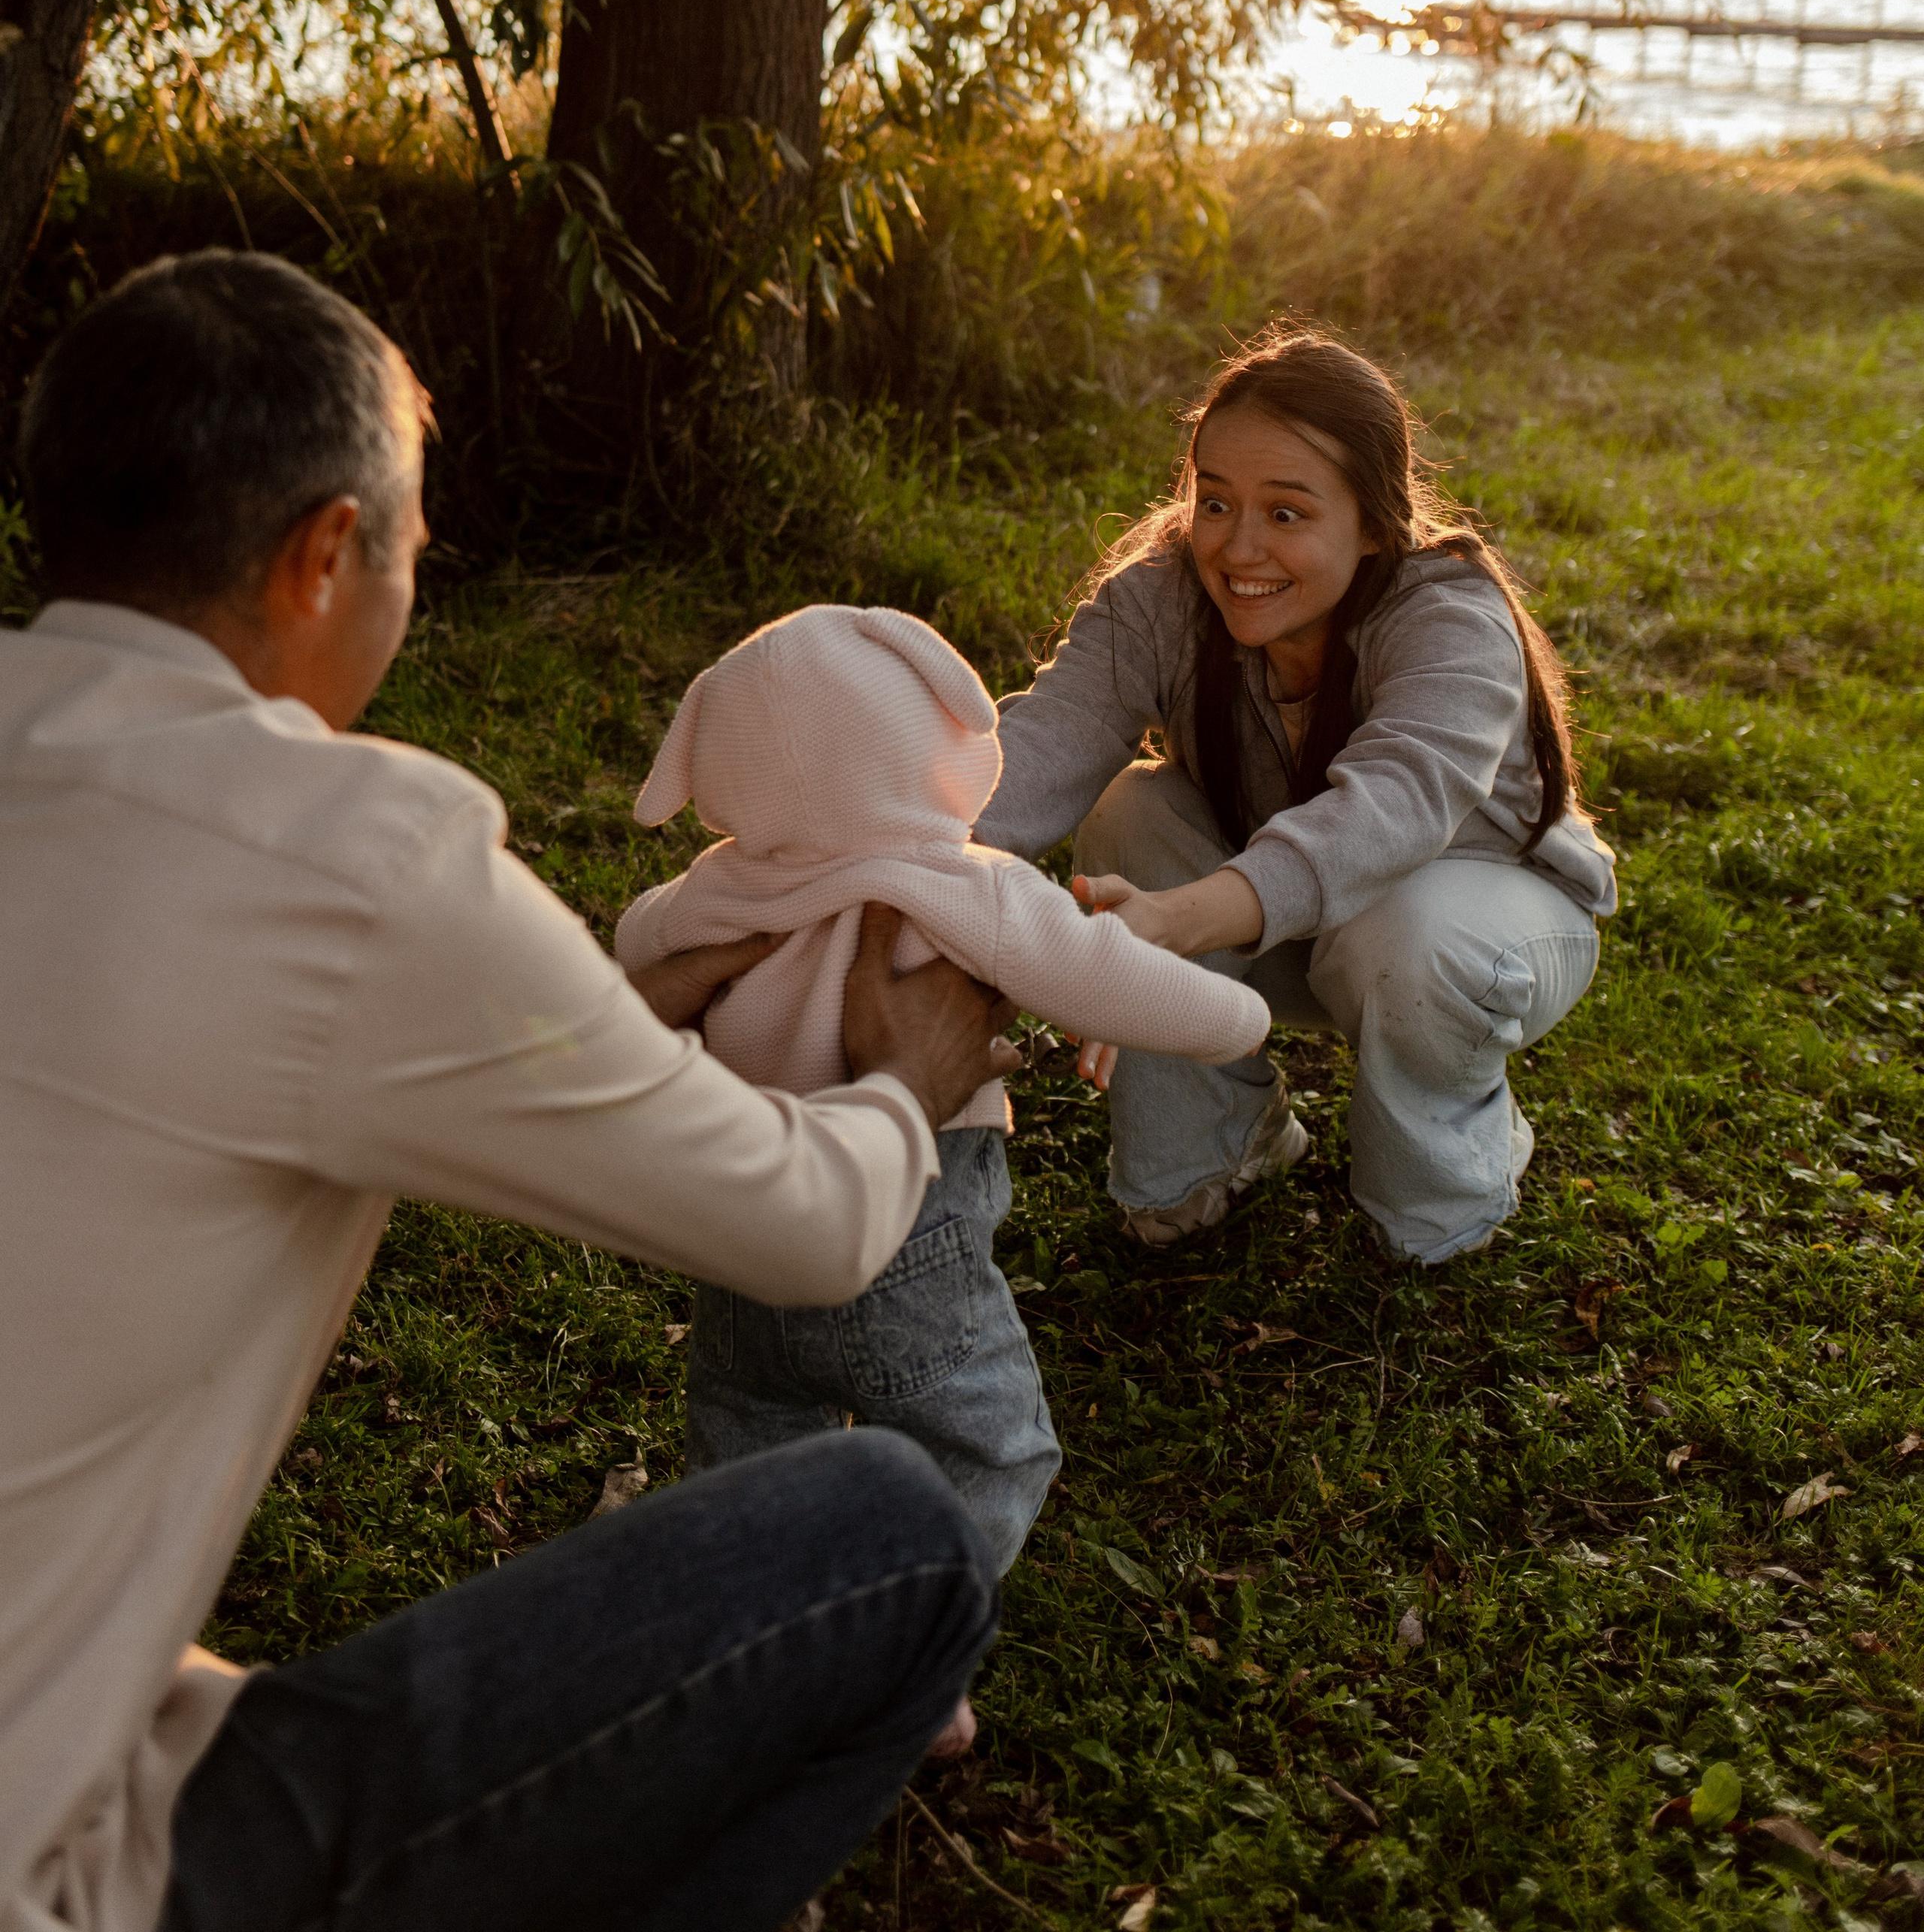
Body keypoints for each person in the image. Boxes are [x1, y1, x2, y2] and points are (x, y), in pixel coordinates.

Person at [0, 249, 1018, 1932]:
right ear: (327, 551)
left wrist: (613, 1008)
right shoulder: (347, 854)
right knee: (894, 1538)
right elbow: (805, 1223)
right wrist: (903, 1085)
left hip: (95, 1705)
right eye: (413, 550)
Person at [613, 600, 1269, 1706]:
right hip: (903, 1239)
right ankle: (906, 1651)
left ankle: (742, 1624)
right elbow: (1111, 979)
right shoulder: (966, 887)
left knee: (754, 1428)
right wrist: (1239, 1022)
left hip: (746, 1230)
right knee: (988, 1448)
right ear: (938, 732)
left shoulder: (715, 891)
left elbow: (637, 940)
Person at [973, 326, 1617, 1267]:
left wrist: (1171, 924)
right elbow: (1037, 747)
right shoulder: (1157, 598)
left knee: (1408, 934)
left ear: (1372, 522)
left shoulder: (1448, 615)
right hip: (1282, 916)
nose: (1238, 547)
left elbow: (1386, 808)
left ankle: (1441, 1195)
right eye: (1216, 500)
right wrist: (885, 862)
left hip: (1475, 919)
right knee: (1132, 811)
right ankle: (1211, 1156)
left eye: (1286, 513)